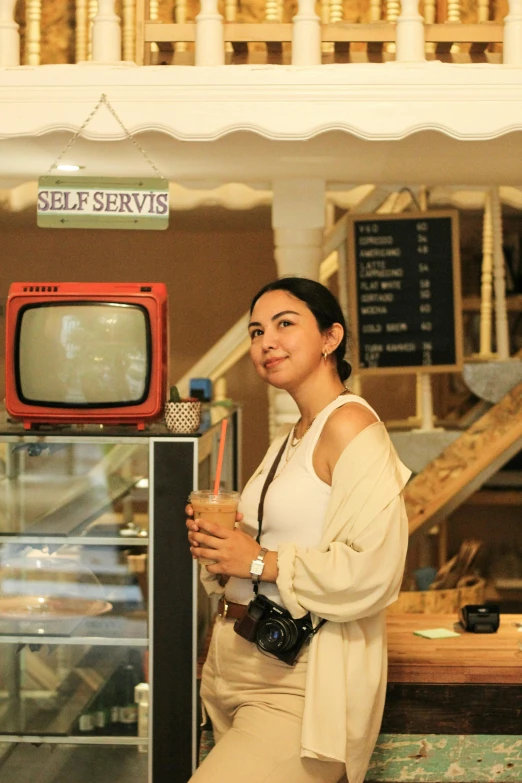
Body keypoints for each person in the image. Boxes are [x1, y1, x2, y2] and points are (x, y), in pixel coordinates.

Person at [186, 277, 411, 783]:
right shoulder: (293, 436)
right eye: (256, 331)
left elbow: (374, 569)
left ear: (331, 338)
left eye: (285, 324)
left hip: (298, 678)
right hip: (235, 661)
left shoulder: (351, 426)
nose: (266, 341)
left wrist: (258, 560)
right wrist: (222, 548)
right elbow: (270, 548)